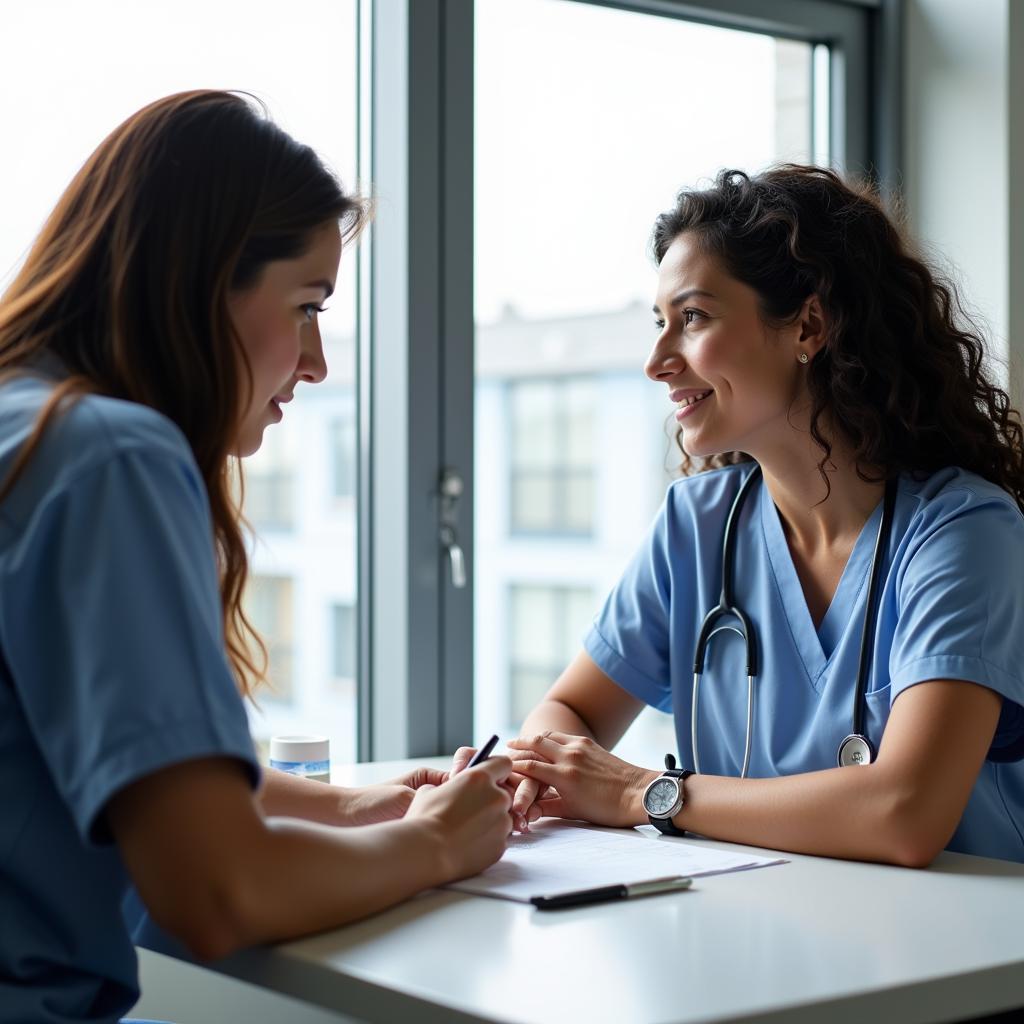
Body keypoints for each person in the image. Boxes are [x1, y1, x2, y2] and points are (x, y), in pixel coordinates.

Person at [0, 90, 513, 1024]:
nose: (315, 363)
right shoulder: (106, 457)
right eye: (306, 306)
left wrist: (355, 811)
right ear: (200, 286)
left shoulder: (23, 429)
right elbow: (216, 886)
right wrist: (436, 845)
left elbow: (132, 776)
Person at [495, 165, 1024, 867]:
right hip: (754, 933)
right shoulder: (697, 525)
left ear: (808, 325)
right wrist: (546, 768)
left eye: (692, 318)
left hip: (952, 957)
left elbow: (905, 812)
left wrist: (647, 794)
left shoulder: (962, 533)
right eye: (660, 324)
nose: (657, 360)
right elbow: (573, 714)